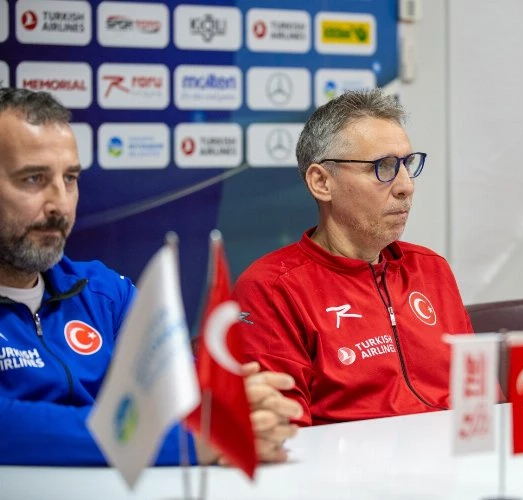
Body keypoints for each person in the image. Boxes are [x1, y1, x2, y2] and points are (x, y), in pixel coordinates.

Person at [0, 87, 302, 465]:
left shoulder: (102, 292)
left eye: (70, 178)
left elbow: (180, 392)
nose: (60, 204)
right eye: (33, 179)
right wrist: (193, 440)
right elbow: (8, 426)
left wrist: (235, 403)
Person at [233, 89, 474, 426]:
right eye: (383, 167)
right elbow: (281, 432)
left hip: (456, 453)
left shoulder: (431, 268)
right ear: (321, 182)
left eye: (407, 164)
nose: (406, 186)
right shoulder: (272, 288)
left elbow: (481, 397)